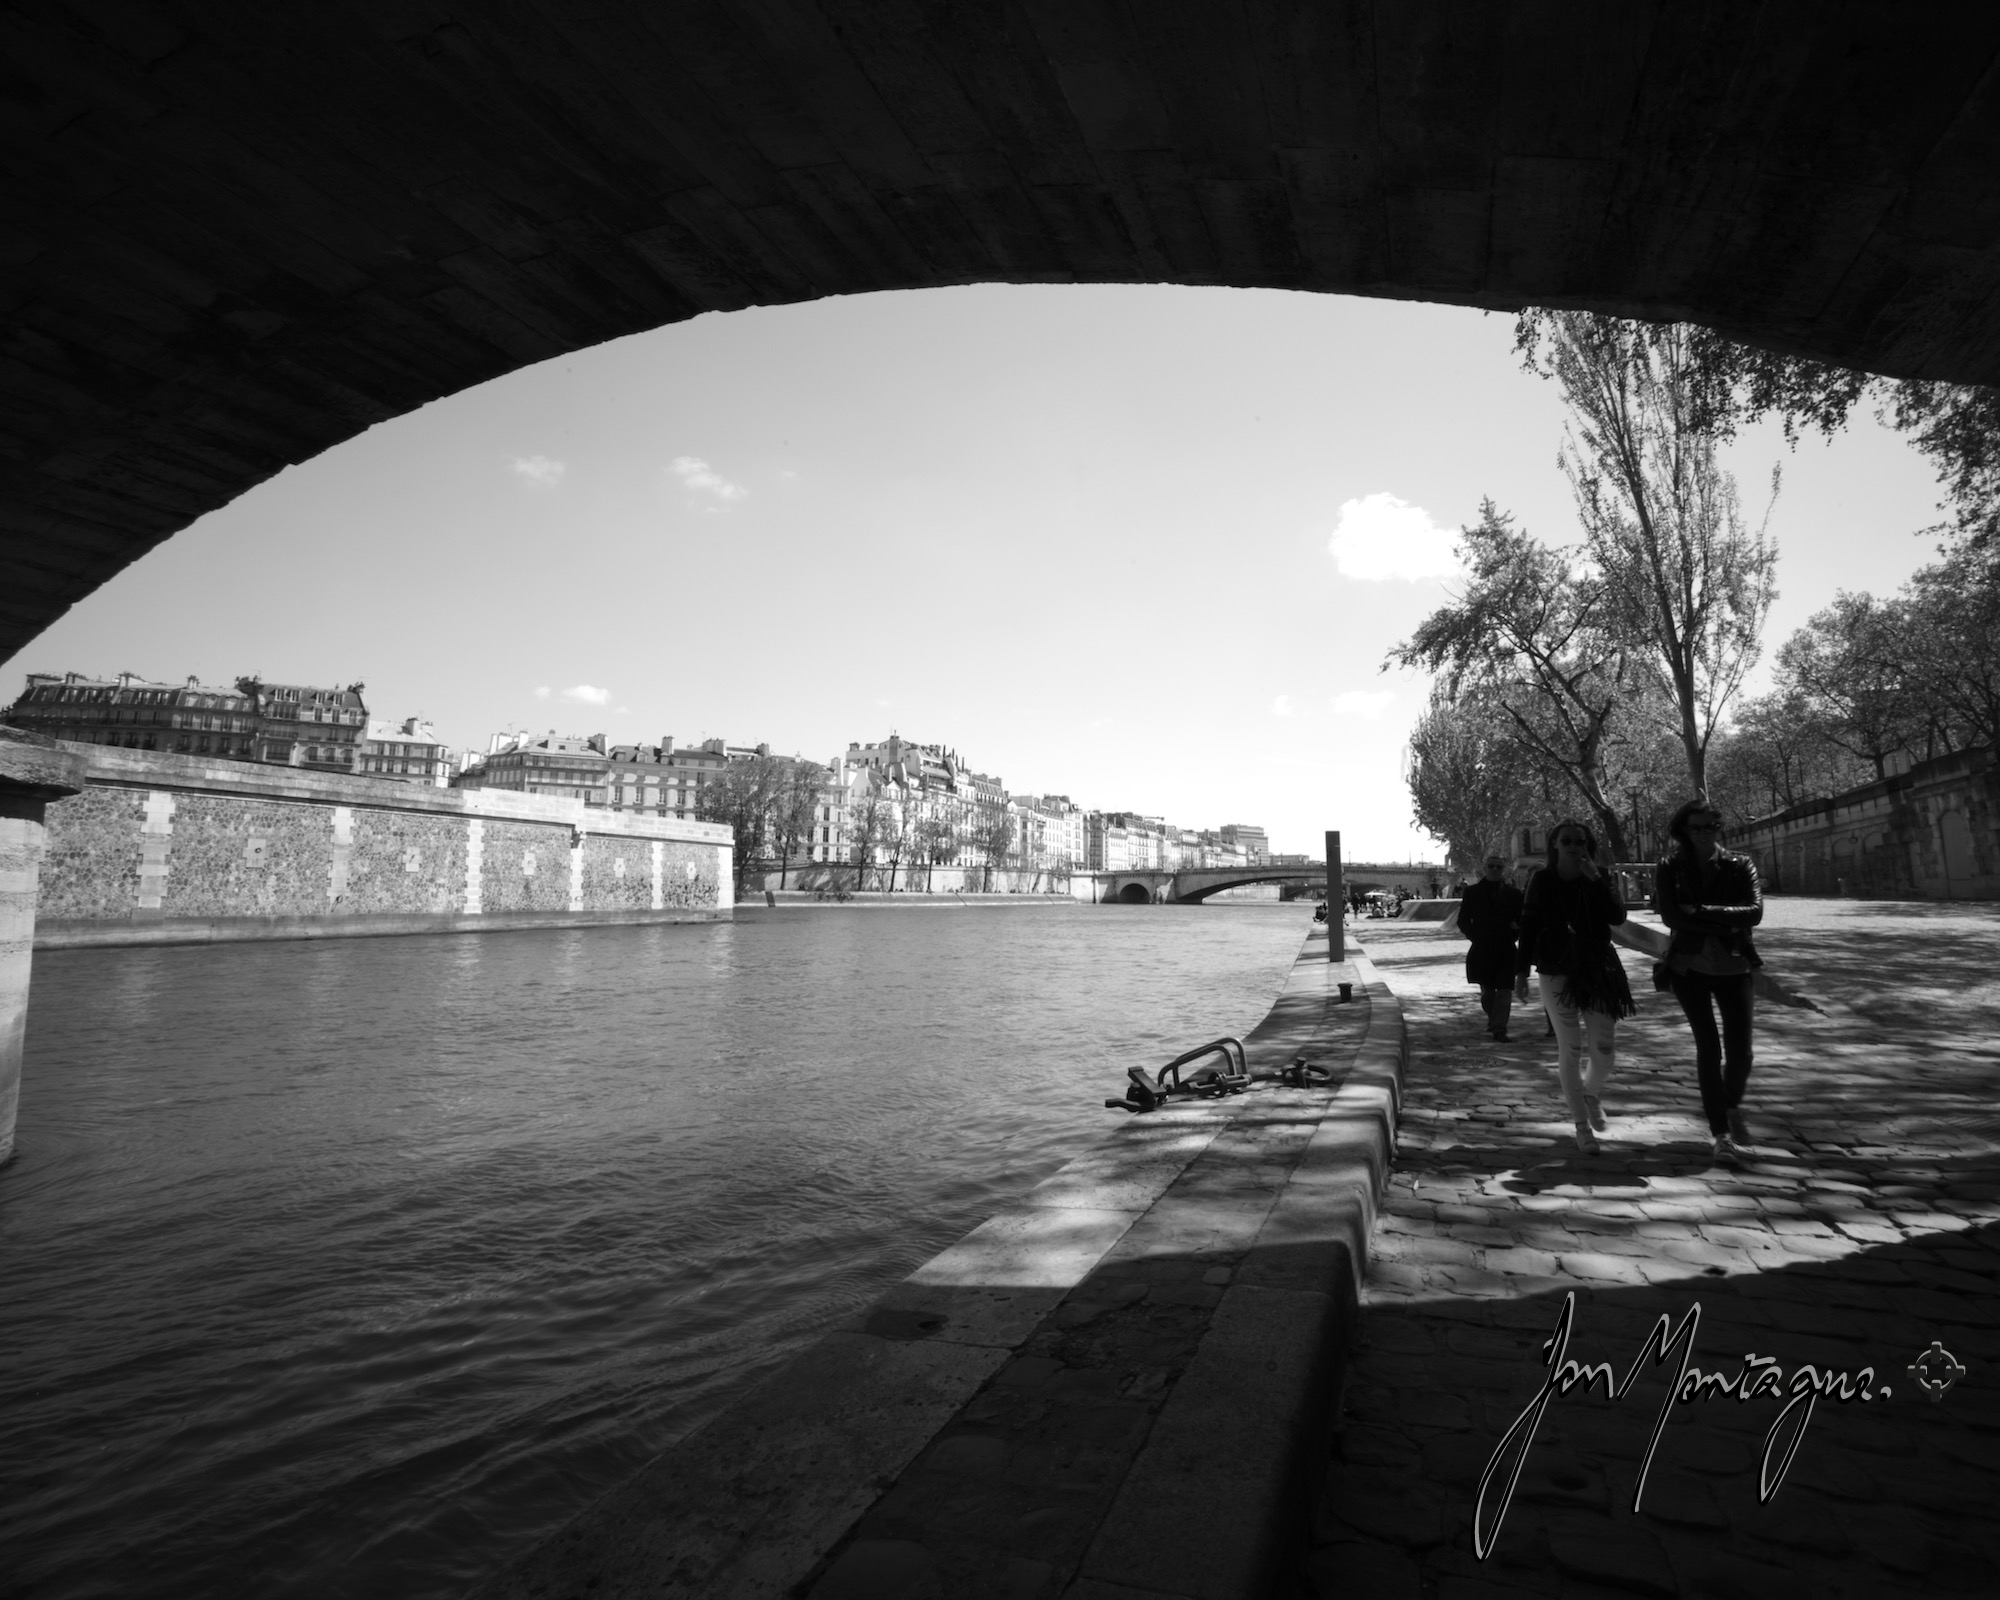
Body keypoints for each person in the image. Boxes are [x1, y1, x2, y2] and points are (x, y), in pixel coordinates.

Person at [1513, 820, 1634, 1154]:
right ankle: (1582, 1126)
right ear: (1554, 845)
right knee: (1571, 1048)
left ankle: (1589, 1093)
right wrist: (1521, 972)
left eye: (1580, 841)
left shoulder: (1600, 875)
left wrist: (1597, 880)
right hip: (1555, 970)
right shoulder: (1541, 879)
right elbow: (1528, 924)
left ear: (1587, 844)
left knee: (1605, 1051)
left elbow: (1617, 917)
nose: (1573, 846)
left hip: (1597, 968)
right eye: (1566, 841)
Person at [1656, 799, 1764, 1163]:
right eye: (1695, 828)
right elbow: (1672, 915)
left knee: (1741, 1054)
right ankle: (1720, 1133)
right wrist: (1725, 922)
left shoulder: (1741, 864)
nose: (1703, 834)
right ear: (1683, 831)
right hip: (1689, 968)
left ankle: (1729, 1102)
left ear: (1720, 828)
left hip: (1735, 966)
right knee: (1709, 1048)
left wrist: (1701, 911)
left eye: (1709, 827)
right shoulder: (1669, 867)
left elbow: (1754, 912)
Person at [1459, 852, 1524, 1040]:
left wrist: (1514, 933)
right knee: (1487, 992)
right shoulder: (1472, 893)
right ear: (1485, 869)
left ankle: (1499, 1028)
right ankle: (1494, 1019)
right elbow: (1463, 920)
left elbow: (1522, 920)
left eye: (1499, 867)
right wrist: (1475, 936)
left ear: (1504, 870)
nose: (1495, 869)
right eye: (1491, 866)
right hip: (1482, 948)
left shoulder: (1514, 894)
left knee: (1504, 989)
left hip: (1506, 948)